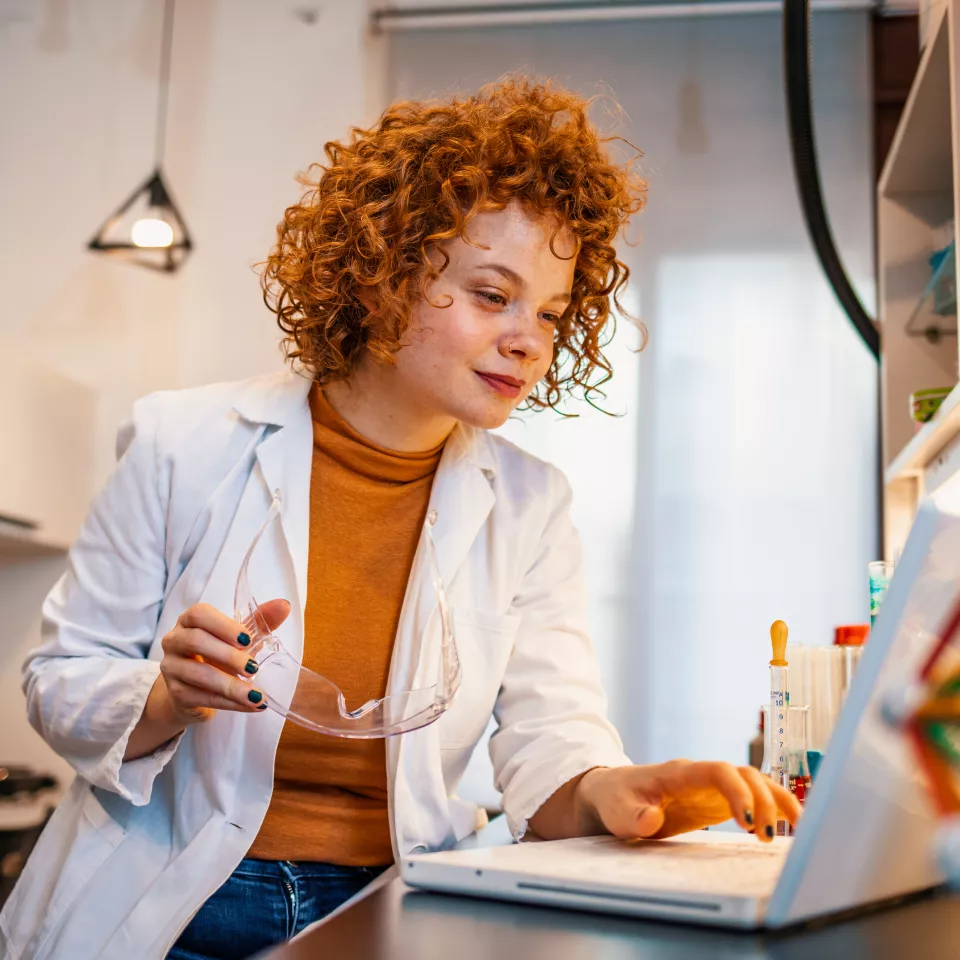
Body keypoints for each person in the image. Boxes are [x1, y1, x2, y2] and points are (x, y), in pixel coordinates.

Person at [0, 79, 799, 960]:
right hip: (166, 904)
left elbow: (550, 745)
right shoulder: (181, 441)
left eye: (550, 313)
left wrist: (617, 789)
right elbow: (60, 681)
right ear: (380, 274)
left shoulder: (532, 504)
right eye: (493, 295)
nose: (529, 339)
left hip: (389, 909)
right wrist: (166, 695)